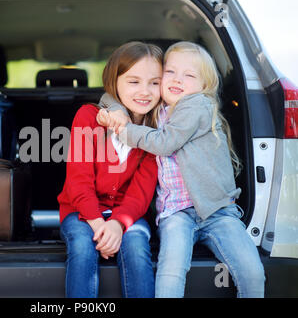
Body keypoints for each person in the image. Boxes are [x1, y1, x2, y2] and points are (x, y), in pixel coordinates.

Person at [96, 41, 265, 298]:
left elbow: (165, 143)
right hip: (176, 213)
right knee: (170, 272)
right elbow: (110, 96)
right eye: (170, 72)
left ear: (204, 86)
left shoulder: (197, 106)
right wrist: (118, 111)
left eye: (189, 75)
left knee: (252, 272)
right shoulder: (156, 109)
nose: (178, 79)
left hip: (217, 211)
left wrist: (124, 130)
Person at [57, 41, 162, 298]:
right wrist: (99, 226)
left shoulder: (156, 134)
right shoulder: (88, 117)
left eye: (154, 82)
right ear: (114, 82)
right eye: (134, 81)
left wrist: (117, 224)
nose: (145, 91)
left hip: (127, 214)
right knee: (83, 247)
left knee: (137, 246)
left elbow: (142, 191)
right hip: (81, 212)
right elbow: (78, 181)